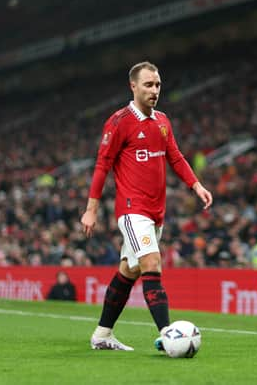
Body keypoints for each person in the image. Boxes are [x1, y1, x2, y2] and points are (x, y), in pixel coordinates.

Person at [81, 61, 212, 351]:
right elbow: (102, 165)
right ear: (133, 86)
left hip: (156, 212)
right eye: (148, 85)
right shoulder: (119, 122)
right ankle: (169, 336)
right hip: (131, 209)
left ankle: (102, 335)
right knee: (152, 263)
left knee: (130, 269)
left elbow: (175, 157)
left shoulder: (163, 121)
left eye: (158, 85)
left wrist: (196, 185)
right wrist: (91, 209)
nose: (155, 90)